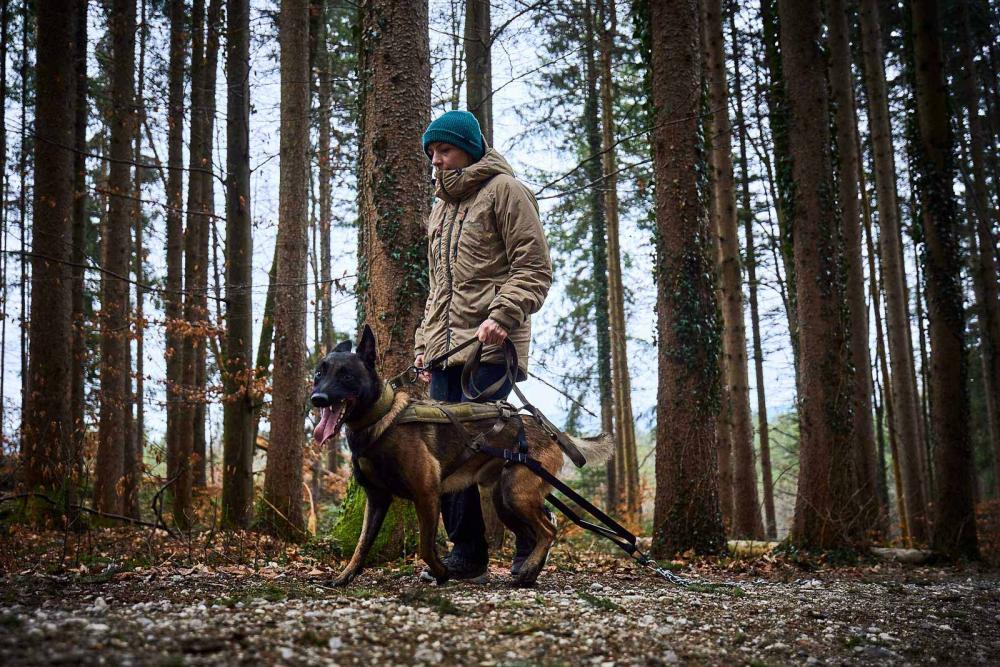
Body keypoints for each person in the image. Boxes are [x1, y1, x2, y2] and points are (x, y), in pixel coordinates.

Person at [413, 109, 553, 582]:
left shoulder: (506, 192)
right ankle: (467, 554)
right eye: (432, 153)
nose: (437, 161)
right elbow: (439, 290)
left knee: (489, 452)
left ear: (469, 149)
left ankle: (531, 538)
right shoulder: (441, 208)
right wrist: (424, 346)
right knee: (440, 456)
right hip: (444, 353)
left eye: (444, 150)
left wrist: (501, 316)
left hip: (491, 351)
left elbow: (533, 268)